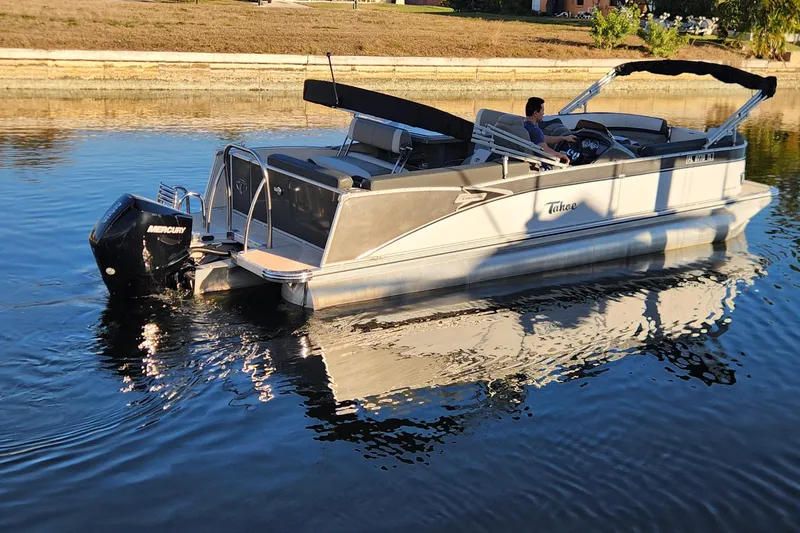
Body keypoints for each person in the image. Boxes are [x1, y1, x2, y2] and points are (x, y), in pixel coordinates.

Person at [523, 97, 576, 165]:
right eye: (542, 110)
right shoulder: (535, 130)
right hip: (541, 165)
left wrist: (564, 138)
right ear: (535, 113)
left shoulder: (525, 125)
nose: (543, 113)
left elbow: (543, 138)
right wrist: (561, 155)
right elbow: (545, 151)